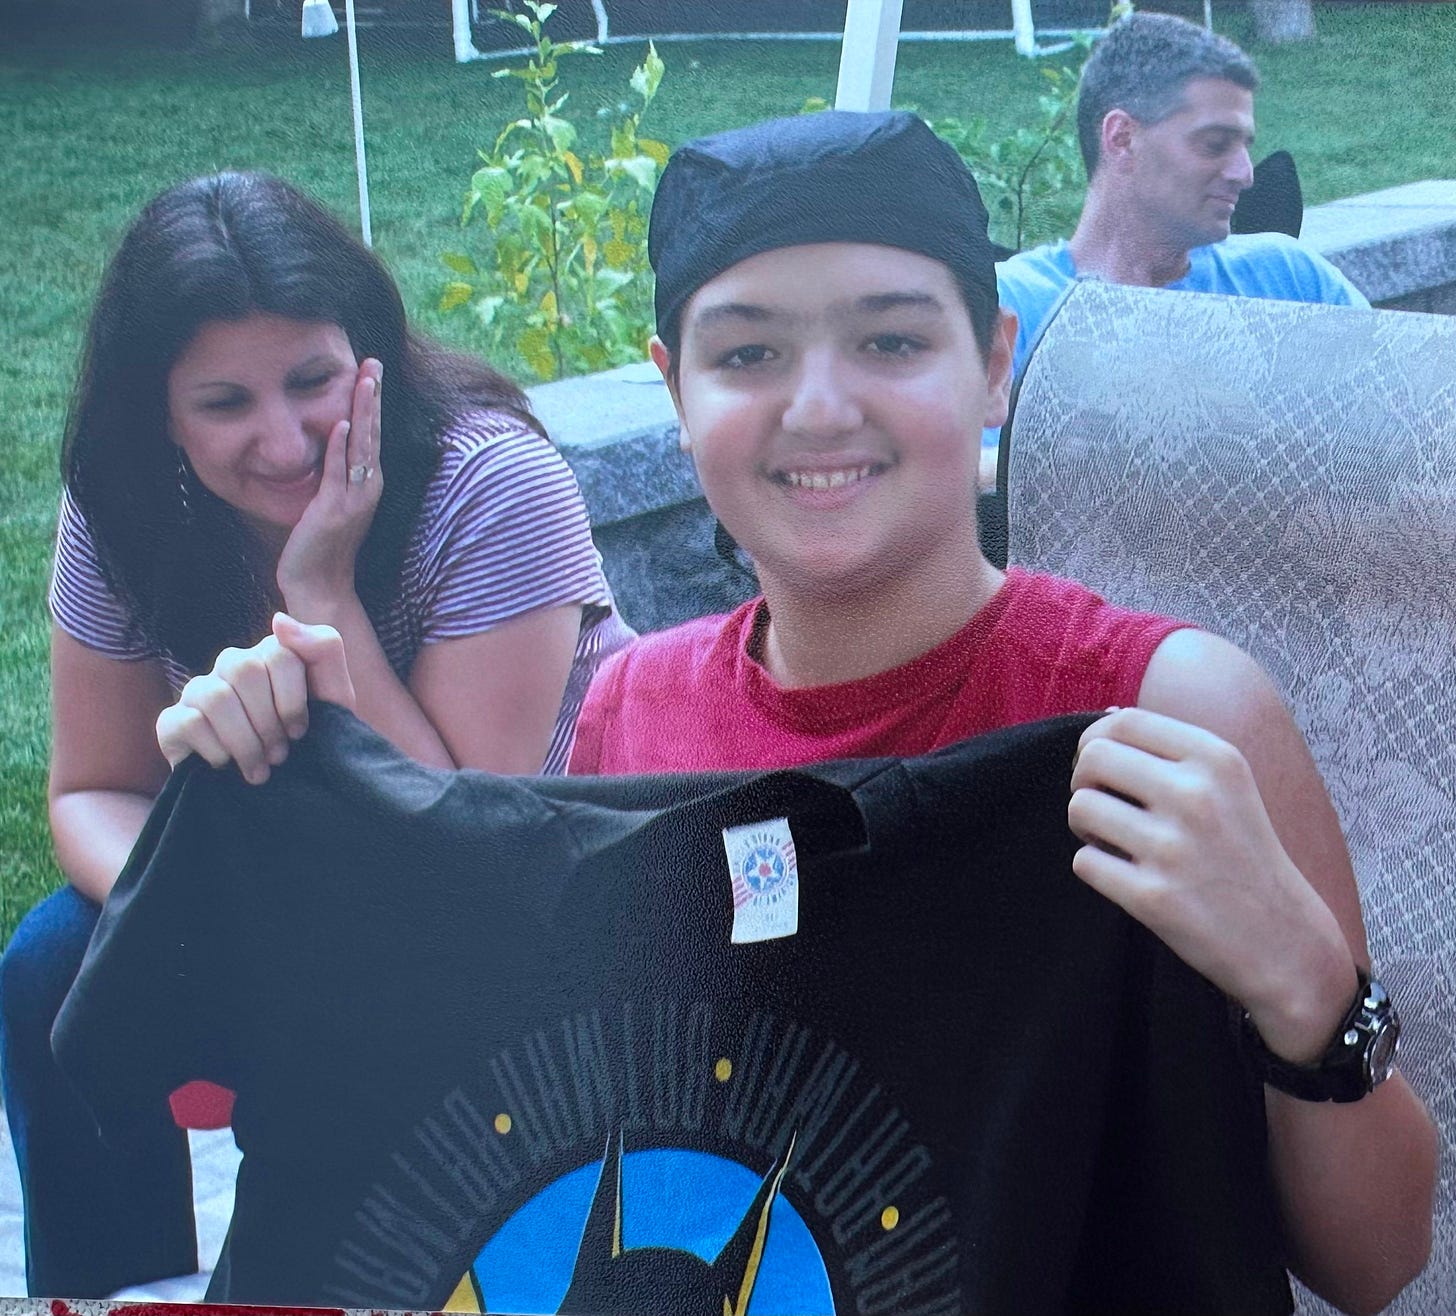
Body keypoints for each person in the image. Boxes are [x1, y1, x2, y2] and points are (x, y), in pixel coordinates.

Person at [157, 114, 1436, 1314]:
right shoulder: (634, 709)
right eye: (747, 352)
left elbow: (1376, 1262)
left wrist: (1307, 983)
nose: (818, 405)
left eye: (890, 340)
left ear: (992, 362)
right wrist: (280, 772)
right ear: (674, 389)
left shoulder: (1165, 711)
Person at [0, 170, 631, 1298]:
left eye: (313, 381)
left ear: (371, 359)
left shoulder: (490, 483)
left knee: (358, 1032)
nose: (285, 441)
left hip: (519, 910)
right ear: (161, 412)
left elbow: (465, 842)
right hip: (287, 902)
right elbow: (92, 789)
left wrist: (324, 586)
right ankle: (109, 1283)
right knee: (49, 964)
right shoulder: (122, 505)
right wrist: (207, 915)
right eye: (224, 402)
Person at [984, 11, 1369, 470]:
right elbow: (956, 475)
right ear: (1123, 139)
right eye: (1214, 144)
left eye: (1244, 145)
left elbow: (1416, 419)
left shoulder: (1290, 281)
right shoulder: (1017, 306)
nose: (1244, 174)